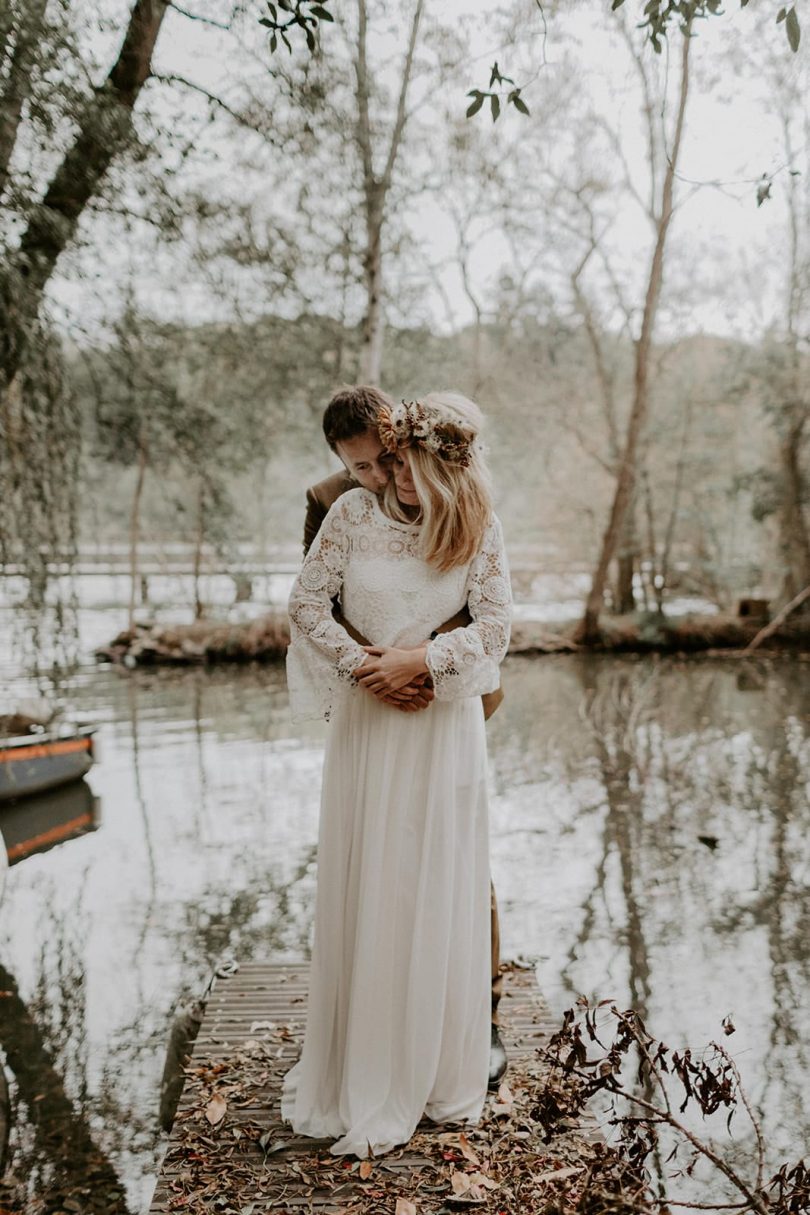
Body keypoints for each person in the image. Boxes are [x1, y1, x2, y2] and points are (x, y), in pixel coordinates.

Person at [282, 393, 512, 1158]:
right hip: (368, 716)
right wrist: (366, 667)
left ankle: (458, 1044)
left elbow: (496, 623)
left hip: (444, 718)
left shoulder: (473, 519)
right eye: (374, 465)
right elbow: (310, 602)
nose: (390, 475)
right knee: (371, 877)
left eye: (399, 458)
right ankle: (363, 1060)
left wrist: (424, 662)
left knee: (445, 876)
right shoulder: (343, 510)